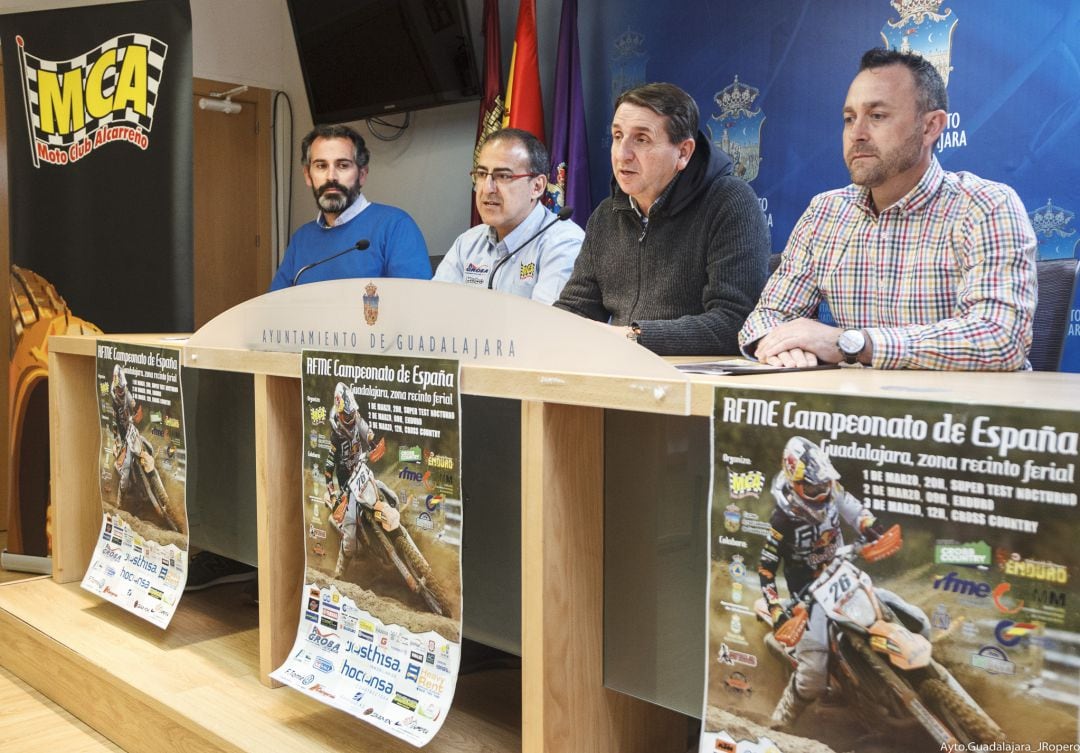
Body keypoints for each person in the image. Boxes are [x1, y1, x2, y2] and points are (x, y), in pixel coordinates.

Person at [739, 48, 1037, 370]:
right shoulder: (824, 214)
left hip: (964, 415)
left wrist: (852, 344)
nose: (857, 134)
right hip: (856, 414)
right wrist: (781, 346)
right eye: (849, 119)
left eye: (877, 116)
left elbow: (1000, 337)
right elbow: (765, 318)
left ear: (930, 127)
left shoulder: (986, 206)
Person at [553, 82, 769, 355]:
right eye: (618, 136)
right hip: (619, 372)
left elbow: (735, 323)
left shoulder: (729, 203)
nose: (622, 154)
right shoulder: (606, 216)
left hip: (690, 381)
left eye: (641, 140)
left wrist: (633, 338)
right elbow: (576, 307)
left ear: (683, 152)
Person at [759, 436, 916, 727]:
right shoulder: (782, 520)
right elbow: (766, 569)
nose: (822, 491)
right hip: (808, 596)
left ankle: (918, 655)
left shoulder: (832, 490)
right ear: (795, 483)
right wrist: (777, 611)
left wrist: (871, 527)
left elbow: (856, 511)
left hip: (842, 572)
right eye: (814, 487)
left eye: (825, 484)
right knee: (814, 675)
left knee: (895, 607)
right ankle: (784, 714)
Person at [270, 124, 431, 290]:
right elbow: (274, 308)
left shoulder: (396, 226)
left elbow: (414, 304)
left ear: (362, 175)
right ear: (308, 176)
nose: (331, 176)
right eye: (321, 166)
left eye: (343, 165)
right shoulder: (301, 239)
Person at [434, 128, 584, 303]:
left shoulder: (563, 243)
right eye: (482, 174)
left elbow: (545, 325)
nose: (487, 188)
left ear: (537, 186)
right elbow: (436, 311)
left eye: (503, 176)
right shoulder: (467, 243)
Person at [322, 382, 400, 579]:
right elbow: (328, 469)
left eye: (352, 413)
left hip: (361, 470)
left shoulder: (355, 417)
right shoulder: (336, 435)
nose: (351, 418)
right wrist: (332, 495)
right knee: (349, 537)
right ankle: (341, 567)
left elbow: (367, 431)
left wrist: (374, 443)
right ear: (339, 413)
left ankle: (399, 536)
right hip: (347, 484)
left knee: (391, 496)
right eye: (347, 415)